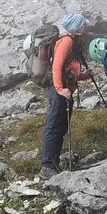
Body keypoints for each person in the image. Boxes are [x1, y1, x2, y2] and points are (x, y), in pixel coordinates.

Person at [40, 13, 91, 180]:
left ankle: (53, 164)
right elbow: (57, 66)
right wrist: (60, 88)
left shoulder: (72, 42)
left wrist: (83, 76)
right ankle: (47, 166)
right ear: (77, 28)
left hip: (66, 90)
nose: (87, 27)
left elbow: (68, 69)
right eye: (84, 25)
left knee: (61, 127)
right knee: (54, 126)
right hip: (60, 91)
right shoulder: (67, 41)